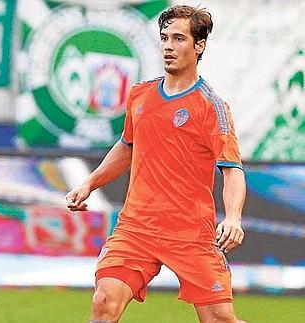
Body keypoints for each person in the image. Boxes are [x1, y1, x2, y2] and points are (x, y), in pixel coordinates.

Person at [66, 5, 247, 323]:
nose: (168, 46)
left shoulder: (211, 107)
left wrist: (233, 217)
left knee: (219, 319)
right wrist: (89, 183)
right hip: (136, 228)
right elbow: (126, 148)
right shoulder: (141, 94)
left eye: (179, 38)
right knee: (104, 302)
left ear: (199, 45)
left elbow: (232, 170)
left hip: (191, 233)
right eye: (164, 38)